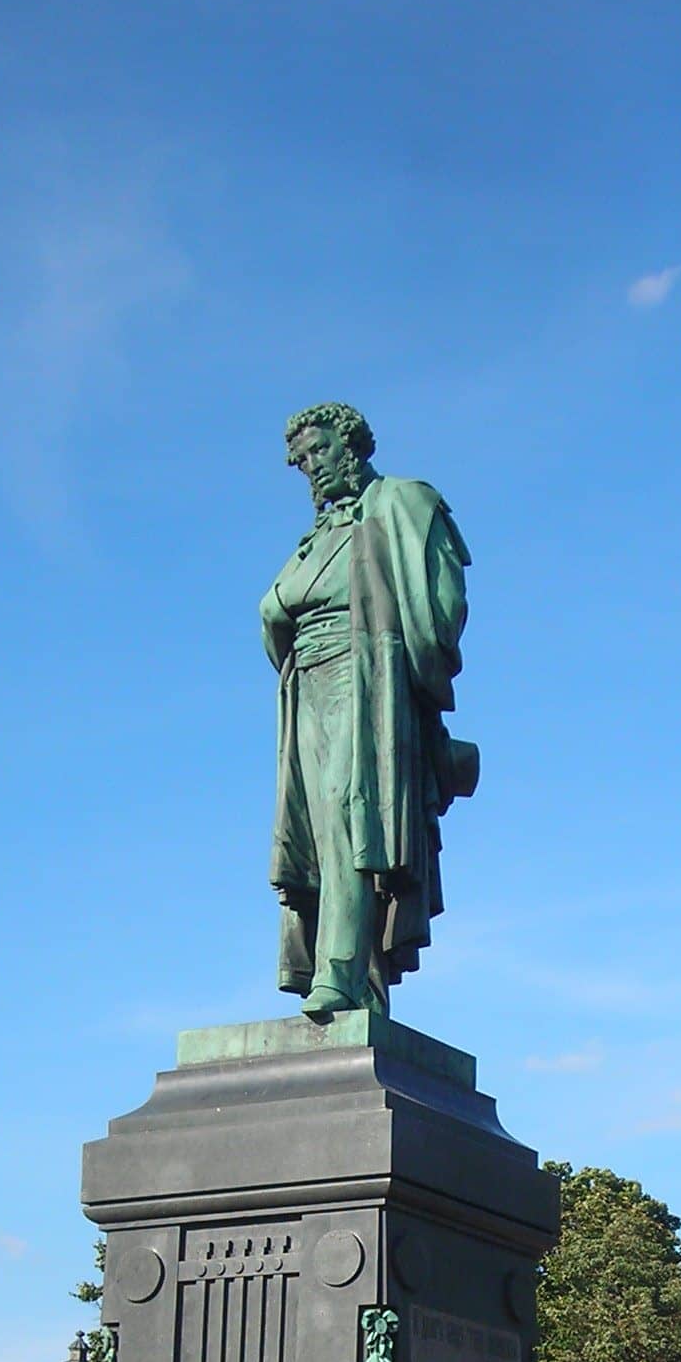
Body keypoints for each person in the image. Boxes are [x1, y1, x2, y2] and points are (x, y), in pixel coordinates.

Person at [262, 402, 479, 1018]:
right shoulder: (316, 539)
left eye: (319, 452)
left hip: (368, 679)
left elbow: (442, 603)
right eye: (301, 463)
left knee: (352, 821)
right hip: (307, 684)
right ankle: (351, 980)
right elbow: (276, 609)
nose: (312, 470)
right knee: (314, 834)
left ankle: (340, 969)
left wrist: (404, 678)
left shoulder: (403, 502)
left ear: (351, 443)